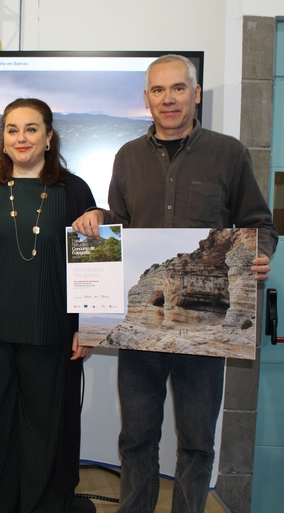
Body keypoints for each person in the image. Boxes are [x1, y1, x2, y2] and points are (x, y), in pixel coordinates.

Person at [72, 54, 278, 513]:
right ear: (147, 99)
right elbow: (122, 228)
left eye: (178, 89)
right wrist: (98, 222)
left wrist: (260, 253)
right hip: (143, 323)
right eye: (159, 91)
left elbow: (259, 223)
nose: (169, 99)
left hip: (206, 324)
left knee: (198, 441)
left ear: (196, 93)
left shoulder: (230, 153)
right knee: (137, 436)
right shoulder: (127, 157)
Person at [0, 98, 96, 513]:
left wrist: (88, 327)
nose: (22, 138)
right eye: (13, 129)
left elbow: (93, 266)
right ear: (3, 137)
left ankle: (44, 506)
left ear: (49, 137)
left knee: (46, 428)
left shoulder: (75, 191)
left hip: (53, 336)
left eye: (32, 129)